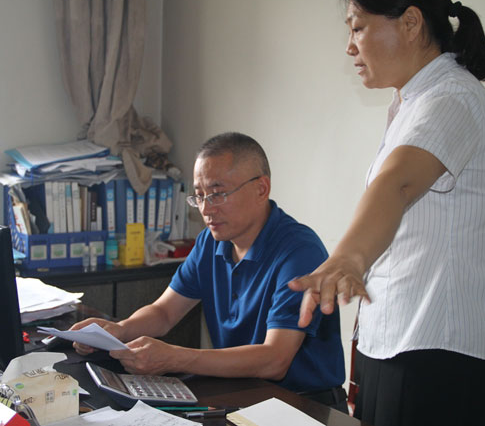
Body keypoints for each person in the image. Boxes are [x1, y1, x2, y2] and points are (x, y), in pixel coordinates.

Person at [288, 0, 485, 425]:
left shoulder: (452, 98)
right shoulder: (414, 102)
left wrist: (348, 258)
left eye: (358, 27)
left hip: (434, 353)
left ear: (410, 23)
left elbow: (397, 184)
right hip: (399, 343)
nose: (349, 46)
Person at [71, 132, 347, 411]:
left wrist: (176, 357)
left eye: (217, 194)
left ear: (261, 189)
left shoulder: (299, 252)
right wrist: (119, 330)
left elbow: (275, 360)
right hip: (240, 390)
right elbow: (164, 312)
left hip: (302, 404)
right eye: (200, 196)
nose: (206, 209)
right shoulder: (210, 242)